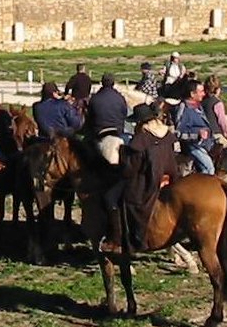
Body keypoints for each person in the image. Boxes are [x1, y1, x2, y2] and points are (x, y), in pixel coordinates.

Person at [101, 103, 179, 254]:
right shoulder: (167, 135)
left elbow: (130, 170)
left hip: (148, 182)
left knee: (110, 197)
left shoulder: (141, 140)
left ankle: (117, 240)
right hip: (170, 176)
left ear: (141, 122)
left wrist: (123, 157)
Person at [175, 79, 215, 175]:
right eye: (201, 91)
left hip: (206, 144)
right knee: (209, 168)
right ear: (192, 94)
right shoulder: (184, 108)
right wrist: (197, 135)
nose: (204, 94)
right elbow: (178, 133)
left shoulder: (198, 106)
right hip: (193, 146)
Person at [87, 73, 129, 165]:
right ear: (113, 83)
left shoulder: (95, 98)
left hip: (98, 131)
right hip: (118, 130)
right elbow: (124, 114)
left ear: (102, 83)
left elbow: (90, 116)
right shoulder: (120, 98)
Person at [202, 75, 227, 147]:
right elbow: (222, 122)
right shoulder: (217, 103)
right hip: (215, 135)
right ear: (218, 89)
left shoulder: (202, 101)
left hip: (202, 134)